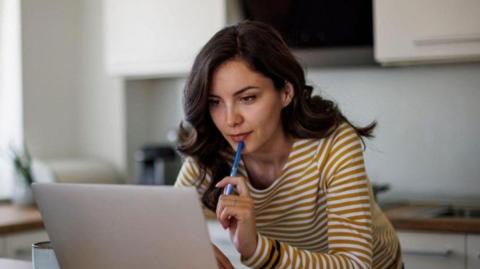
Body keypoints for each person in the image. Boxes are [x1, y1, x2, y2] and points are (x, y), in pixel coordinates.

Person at [174, 21, 402, 269]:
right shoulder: (209, 153)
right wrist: (194, 248)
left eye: (247, 98)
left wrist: (256, 249)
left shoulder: (333, 144)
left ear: (285, 92)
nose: (230, 120)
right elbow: (164, 226)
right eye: (215, 102)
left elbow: (355, 264)